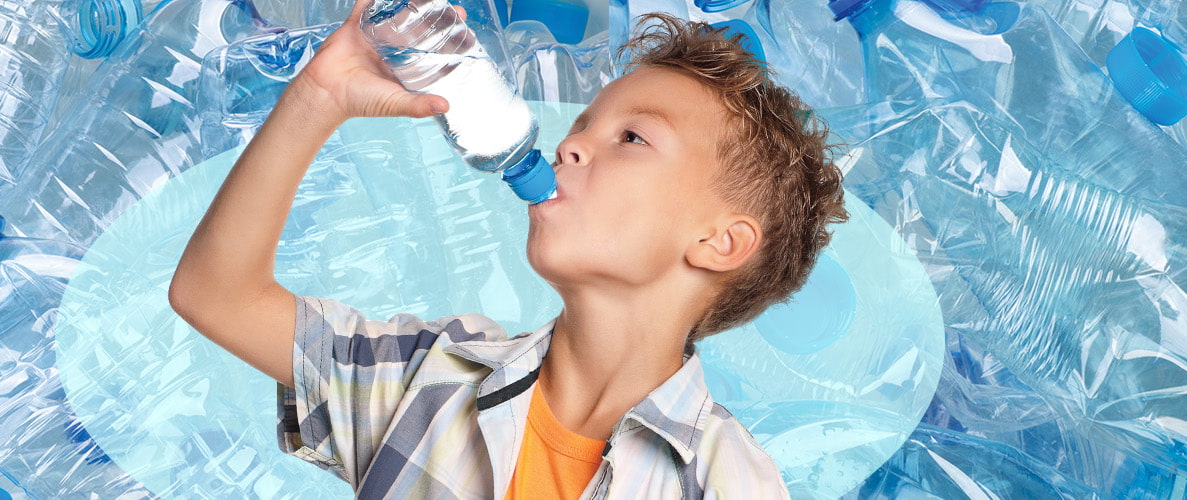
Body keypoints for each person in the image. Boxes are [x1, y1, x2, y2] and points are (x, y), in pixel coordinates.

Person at [169, 2, 846, 497]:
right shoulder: (428, 378)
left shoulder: (729, 482)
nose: (568, 145)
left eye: (632, 138)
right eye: (581, 126)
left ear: (719, 243)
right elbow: (214, 296)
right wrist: (319, 97)